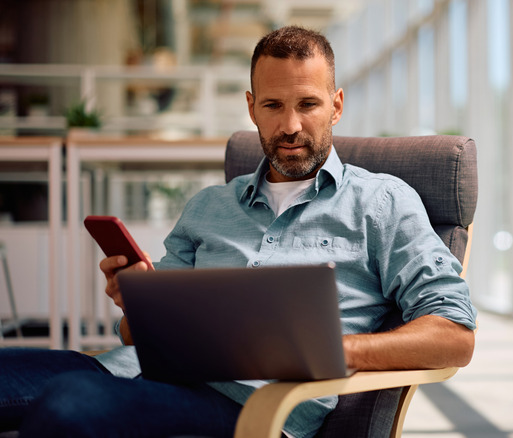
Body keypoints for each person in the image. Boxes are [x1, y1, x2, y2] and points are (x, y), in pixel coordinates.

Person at [0, 26, 477, 438]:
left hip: (248, 406)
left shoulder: (382, 203)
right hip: (128, 371)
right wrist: (138, 300)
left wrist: (337, 348)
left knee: (71, 403)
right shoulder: (209, 206)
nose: (290, 125)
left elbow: (454, 335)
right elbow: (131, 335)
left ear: (336, 106)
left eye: (308, 104)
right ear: (251, 108)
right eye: (273, 105)